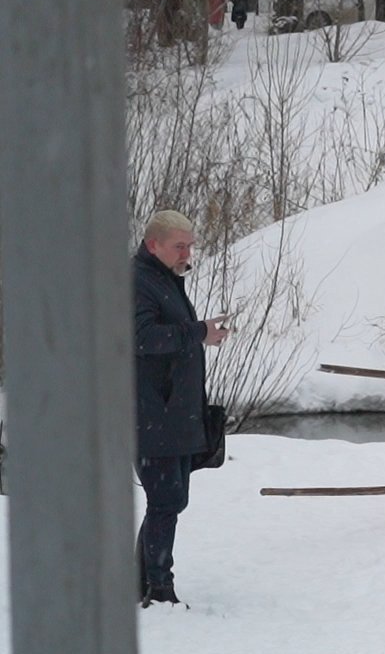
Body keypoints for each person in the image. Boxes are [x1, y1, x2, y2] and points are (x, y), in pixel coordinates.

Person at [133, 210, 229, 607]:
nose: (187, 253)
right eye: (179, 246)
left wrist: (201, 336)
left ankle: (143, 581)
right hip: (150, 415)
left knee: (170, 500)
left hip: (169, 414)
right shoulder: (137, 281)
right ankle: (157, 589)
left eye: (189, 245)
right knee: (167, 501)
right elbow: (140, 338)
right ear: (154, 244)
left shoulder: (163, 279)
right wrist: (197, 331)